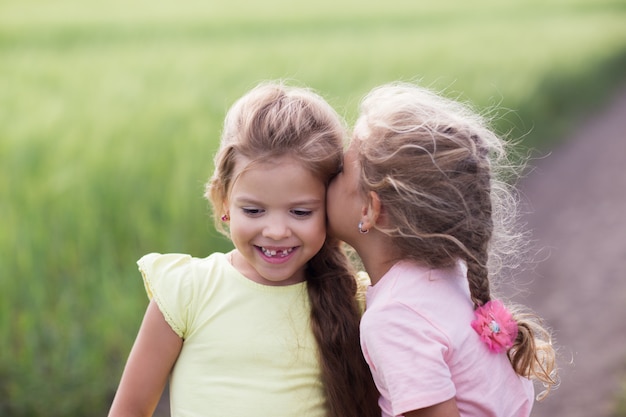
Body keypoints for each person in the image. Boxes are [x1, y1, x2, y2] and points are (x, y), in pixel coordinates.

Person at [107, 81, 379, 417]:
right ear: (224, 200)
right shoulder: (187, 290)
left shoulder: (359, 300)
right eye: (253, 210)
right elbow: (129, 410)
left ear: (330, 207)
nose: (276, 231)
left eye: (301, 212)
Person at [327, 82, 559, 417]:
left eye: (340, 170)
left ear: (369, 209)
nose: (327, 179)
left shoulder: (397, 317)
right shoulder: (451, 277)